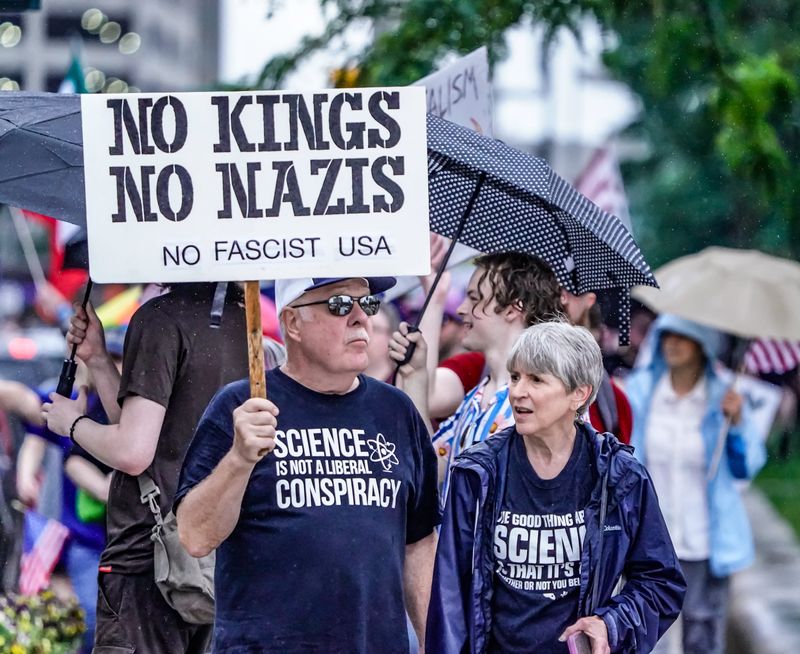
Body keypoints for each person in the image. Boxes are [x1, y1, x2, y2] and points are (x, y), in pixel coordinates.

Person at [174, 276, 441, 654]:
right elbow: (195, 537)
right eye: (337, 305)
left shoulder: (397, 411)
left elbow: (419, 543)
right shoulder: (243, 405)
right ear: (292, 323)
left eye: (367, 304)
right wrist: (238, 459)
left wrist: (435, 642)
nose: (359, 319)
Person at [427, 322, 686, 654]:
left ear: (578, 393)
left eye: (536, 379)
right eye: (516, 376)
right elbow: (450, 594)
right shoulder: (477, 473)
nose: (517, 391)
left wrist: (610, 624)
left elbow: (660, 581)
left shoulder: (620, 476)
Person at [42, 282, 250, 654]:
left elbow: (134, 451)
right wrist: (100, 360)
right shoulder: (241, 317)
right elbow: (149, 430)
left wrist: (71, 424)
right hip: (214, 557)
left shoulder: (159, 318)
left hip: (148, 559)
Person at [624, 314, 766, 654]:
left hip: (703, 541)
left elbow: (746, 467)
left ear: (702, 344)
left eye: (682, 336)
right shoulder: (640, 392)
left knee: (702, 637)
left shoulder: (724, 398)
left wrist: (736, 425)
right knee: (645, 636)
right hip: (651, 540)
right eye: (666, 335)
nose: (672, 343)